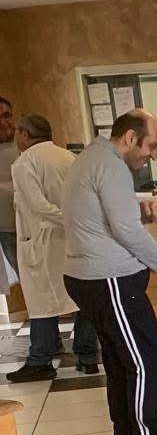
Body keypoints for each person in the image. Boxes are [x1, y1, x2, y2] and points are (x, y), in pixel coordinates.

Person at [62, 109, 157, 435]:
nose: (153, 156)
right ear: (130, 137)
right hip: (109, 278)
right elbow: (126, 231)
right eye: (152, 146)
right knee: (145, 360)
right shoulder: (111, 166)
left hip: (89, 277)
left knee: (121, 360)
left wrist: (138, 211)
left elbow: (104, 216)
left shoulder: (92, 158)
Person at [5, 116, 100, 381]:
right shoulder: (68, 157)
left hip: (43, 242)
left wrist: (67, 218)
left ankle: (40, 359)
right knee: (80, 297)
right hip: (73, 239)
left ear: (24, 134)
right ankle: (87, 356)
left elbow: (38, 205)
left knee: (42, 302)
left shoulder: (25, 162)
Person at [0, 95, 17, 279]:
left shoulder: (24, 143)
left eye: (7, 116)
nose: (4, 122)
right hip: (5, 229)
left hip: (30, 227)